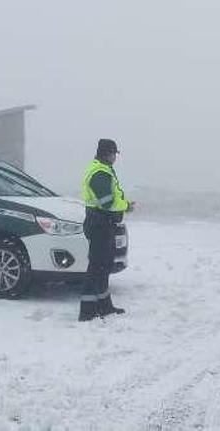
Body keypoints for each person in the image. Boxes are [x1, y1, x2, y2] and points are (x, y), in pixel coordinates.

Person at [79, 138, 133, 321]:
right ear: (107, 154)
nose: (115, 157)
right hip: (100, 225)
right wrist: (126, 206)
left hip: (104, 225)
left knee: (103, 267)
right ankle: (87, 312)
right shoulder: (100, 173)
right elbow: (107, 202)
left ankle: (104, 307)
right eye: (114, 154)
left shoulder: (103, 169)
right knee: (97, 267)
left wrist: (123, 206)